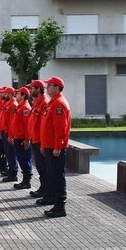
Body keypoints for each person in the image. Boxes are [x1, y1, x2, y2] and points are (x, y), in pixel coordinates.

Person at [39, 77, 71, 218]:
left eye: (49, 85)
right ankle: (55, 203)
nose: (47, 88)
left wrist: (58, 147)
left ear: (57, 87)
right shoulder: (53, 103)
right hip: (50, 146)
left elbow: (60, 128)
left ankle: (60, 207)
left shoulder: (58, 104)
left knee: (57, 177)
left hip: (55, 148)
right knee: (53, 176)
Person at [26, 81, 48, 197]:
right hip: (35, 139)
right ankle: (43, 188)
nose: (30, 90)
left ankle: (46, 190)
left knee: (43, 167)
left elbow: (45, 126)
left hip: (40, 141)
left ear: (39, 89)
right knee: (40, 167)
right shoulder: (37, 103)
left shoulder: (44, 103)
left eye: (32, 88)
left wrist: (43, 143)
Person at [10, 87, 32, 189]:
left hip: (22, 139)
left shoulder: (25, 108)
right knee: (21, 160)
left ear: (23, 96)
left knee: (24, 160)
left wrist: (27, 139)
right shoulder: (20, 107)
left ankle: (27, 181)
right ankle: (25, 180)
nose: (16, 95)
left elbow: (28, 126)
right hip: (18, 137)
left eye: (18, 94)